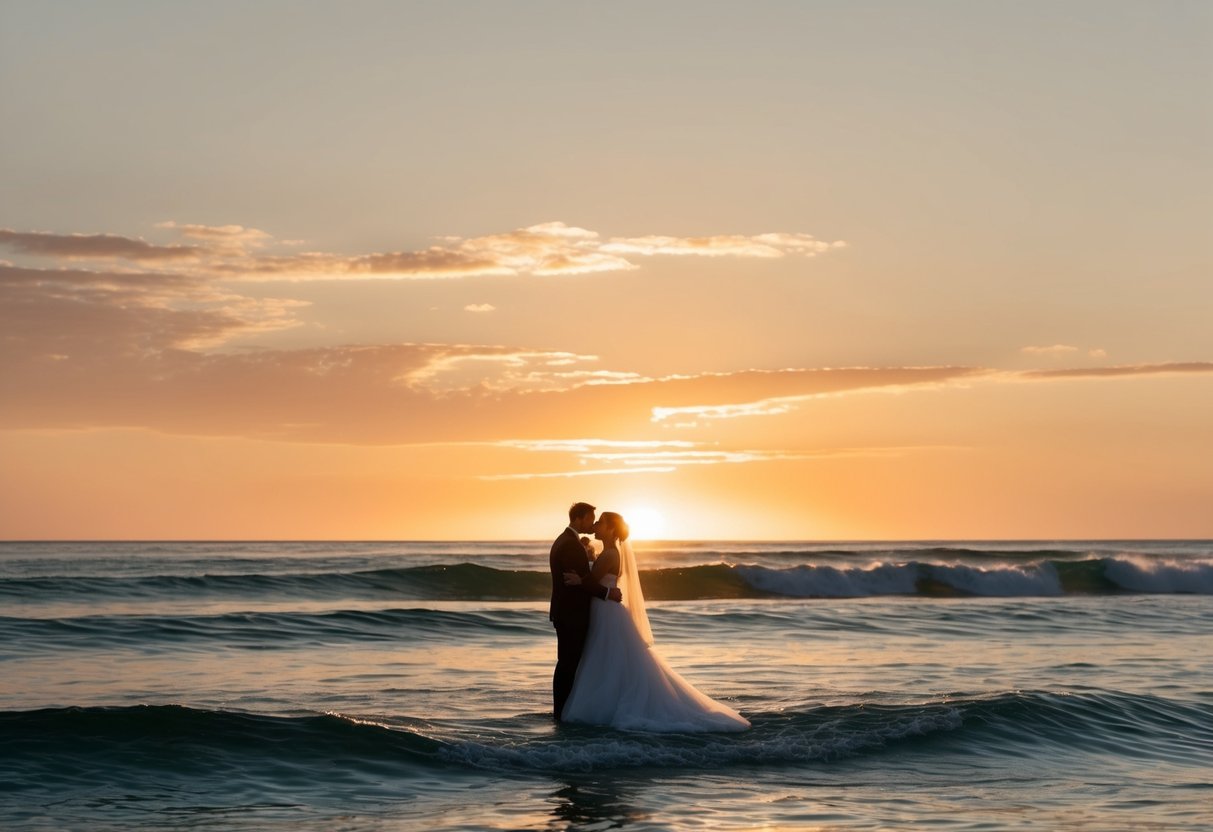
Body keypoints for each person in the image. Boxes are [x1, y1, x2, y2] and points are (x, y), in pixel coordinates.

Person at [561, 511, 750, 732]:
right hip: (605, 610)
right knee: (609, 659)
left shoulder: (611, 554)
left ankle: (605, 707)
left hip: (606, 612)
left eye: (600, 522)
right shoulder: (608, 552)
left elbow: (592, 581)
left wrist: (578, 579)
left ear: (612, 529)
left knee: (608, 659)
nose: (596, 525)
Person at [549, 502, 622, 722]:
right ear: (580, 518)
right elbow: (584, 582)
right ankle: (561, 713)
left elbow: (584, 579)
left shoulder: (570, 541)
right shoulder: (571, 544)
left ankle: (565, 711)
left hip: (572, 613)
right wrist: (608, 593)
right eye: (592, 519)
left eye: (598, 522)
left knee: (570, 663)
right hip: (571, 614)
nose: (593, 525)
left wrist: (583, 579)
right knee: (568, 664)